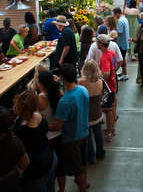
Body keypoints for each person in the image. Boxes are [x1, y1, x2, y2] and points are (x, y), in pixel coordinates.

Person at [48, 64, 89, 192]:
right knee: (82, 162)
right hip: (84, 132)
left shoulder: (64, 101)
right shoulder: (83, 90)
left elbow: (58, 126)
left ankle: (82, 188)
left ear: (63, 78)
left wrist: (43, 125)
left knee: (77, 168)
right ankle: (84, 183)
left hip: (72, 138)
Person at [14, 91, 56, 192]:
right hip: (50, 158)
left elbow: (22, 159)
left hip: (37, 170)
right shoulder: (39, 116)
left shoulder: (21, 131)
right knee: (50, 187)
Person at [37, 71, 65, 192]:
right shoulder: (59, 93)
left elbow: (36, 118)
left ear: (41, 84)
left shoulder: (41, 98)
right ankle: (62, 189)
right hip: (61, 136)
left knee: (50, 168)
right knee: (60, 168)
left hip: (48, 138)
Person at [78, 59, 105, 163]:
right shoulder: (100, 82)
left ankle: (91, 157)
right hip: (97, 113)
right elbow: (100, 97)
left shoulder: (81, 82)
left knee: (88, 137)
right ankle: (101, 153)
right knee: (98, 135)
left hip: (86, 115)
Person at [96, 35, 117, 142]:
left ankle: (109, 131)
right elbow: (115, 66)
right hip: (113, 84)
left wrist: (99, 78)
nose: (96, 43)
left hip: (107, 86)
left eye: (97, 42)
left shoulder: (104, 57)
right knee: (111, 108)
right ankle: (111, 129)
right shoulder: (111, 53)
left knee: (108, 110)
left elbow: (106, 73)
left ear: (101, 44)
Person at [113, 7, 129, 81]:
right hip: (125, 42)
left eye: (114, 14)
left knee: (121, 59)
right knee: (123, 58)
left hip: (121, 43)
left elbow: (120, 33)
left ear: (117, 13)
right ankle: (123, 72)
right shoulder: (124, 19)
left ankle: (124, 74)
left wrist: (114, 32)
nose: (114, 15)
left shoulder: (120, 21)